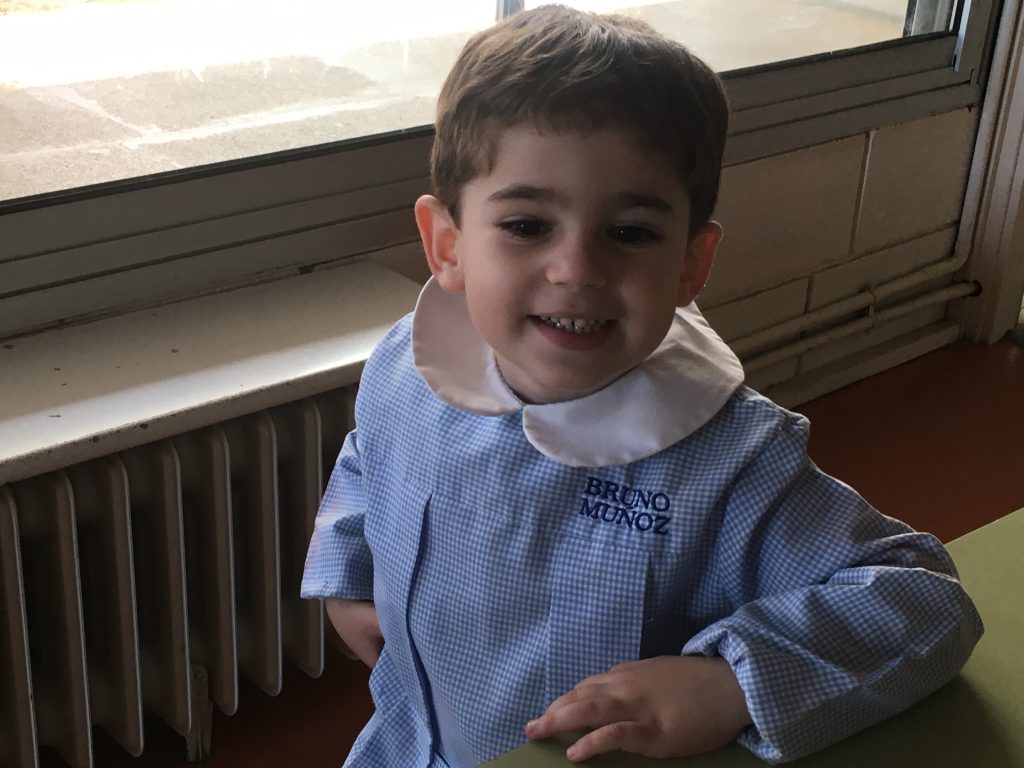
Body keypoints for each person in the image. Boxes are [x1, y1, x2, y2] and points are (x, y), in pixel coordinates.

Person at [301, 5, 983, 766]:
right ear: (447, 245)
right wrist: (347, 574)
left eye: (630, 233)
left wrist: (729, 682)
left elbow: (926, 603)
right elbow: (369, 459)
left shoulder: (729, 465)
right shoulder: (407, 365)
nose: (577, 270)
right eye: (527, 225)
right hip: (404, 744)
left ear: (691, 264)